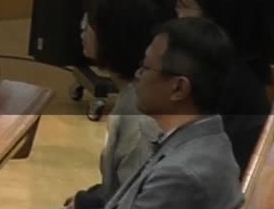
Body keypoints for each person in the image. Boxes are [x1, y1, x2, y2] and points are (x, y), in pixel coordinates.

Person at [102, 19, 244, 209]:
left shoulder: (180, 174)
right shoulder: (201, 139)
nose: (138, 75)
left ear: (179, 88)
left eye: (146, 68)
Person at [68, 0, 176, 209]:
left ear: (116, 35)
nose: (83, 27)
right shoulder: (133, 94)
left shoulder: (142, 117)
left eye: (91, 22)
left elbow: (136, 200)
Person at [175, 0, 274, 169]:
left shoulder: (222, 82)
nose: (176, 13)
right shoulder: (230, 67)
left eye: (184, 4)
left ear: (214, 20)